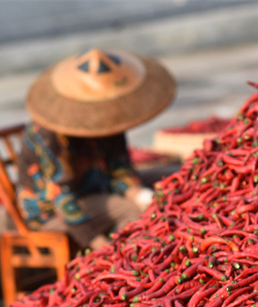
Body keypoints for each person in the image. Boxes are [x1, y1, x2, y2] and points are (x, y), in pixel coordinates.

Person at [17, 48, 177, 251]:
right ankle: (132, 259)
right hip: (52, 211)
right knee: (127, 210)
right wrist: (100, 248)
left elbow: (119, 169)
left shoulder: (108, 117)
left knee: (174, 177)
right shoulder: (50, 135)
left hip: (99, 185)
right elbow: (63, 199)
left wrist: (138, 194)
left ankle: (171, 237)